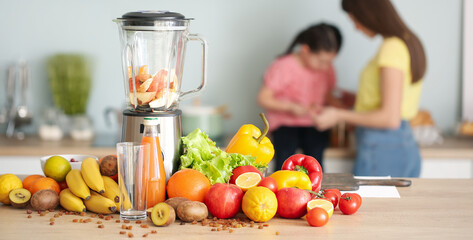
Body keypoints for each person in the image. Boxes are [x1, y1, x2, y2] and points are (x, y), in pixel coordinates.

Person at [311, 0, 427, 177]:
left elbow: (389, 118)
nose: (356, 27)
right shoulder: (407, 41)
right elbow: (395, 101)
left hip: (384, 147)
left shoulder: (392, 48)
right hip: (399, 144)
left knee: (371, 205)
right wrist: (359, 99)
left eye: (355, 20)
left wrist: (338, 115)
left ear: (369, 15)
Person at [258, 23, 344, 171]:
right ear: (305, 50)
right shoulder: (284, 66)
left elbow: (327, 95)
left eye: (329, 62)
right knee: (285, 162)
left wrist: (344, 111)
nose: (325, 67)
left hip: (314, 124)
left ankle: (316, 191)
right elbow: (263, 98)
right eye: (321, 61)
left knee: (316, 163)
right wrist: (290, 107)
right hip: (285, 125)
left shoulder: (327, 68)